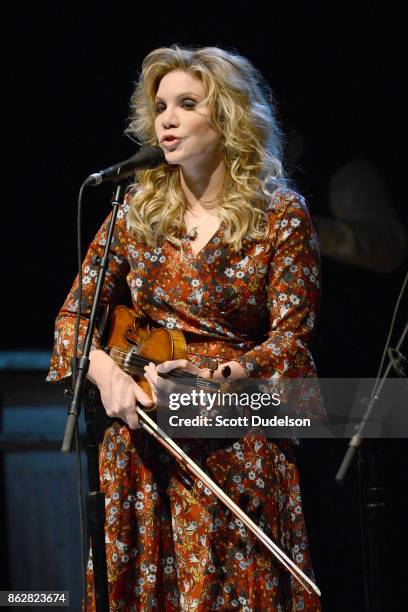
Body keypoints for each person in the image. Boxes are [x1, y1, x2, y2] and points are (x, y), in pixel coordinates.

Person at [47, 45, 321, 611]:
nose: (166, 119)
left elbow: (292, 336)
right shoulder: (133, 209)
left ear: (226, 116)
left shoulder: (281, 214)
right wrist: (104, 373)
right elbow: (74, 317)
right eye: (161, 106)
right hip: (142, 445)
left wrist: (219, 378)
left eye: (187, 103)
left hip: (235, 438)